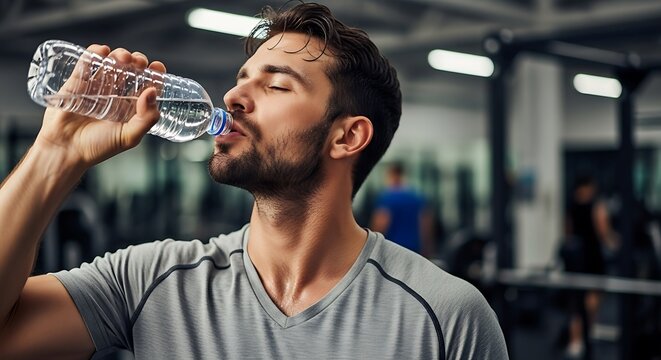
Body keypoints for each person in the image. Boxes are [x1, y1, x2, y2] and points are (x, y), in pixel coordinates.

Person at [0, 3, 508, 359]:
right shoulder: (149, 280)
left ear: (347, 136)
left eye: (276, 85)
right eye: (241, 79)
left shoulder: (447, 316)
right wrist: (55, 155)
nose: (234, 98)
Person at [563, 175, 616, 359]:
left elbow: (568, 233)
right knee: (590, 300)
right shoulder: (596, 206)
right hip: (592, 258)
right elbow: (604, 233)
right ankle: (580, 338)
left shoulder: (571, 206)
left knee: (578, 302)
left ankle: (577, 340)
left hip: (577, 259)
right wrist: (617, 244)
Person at [371, 162, 435, 257]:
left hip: (393, 249)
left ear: (391, 175)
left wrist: (372, 248)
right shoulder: (417, 197)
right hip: (414, 248)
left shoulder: (387, 198)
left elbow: (381, 224)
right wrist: (427, 248)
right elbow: (426, 225)